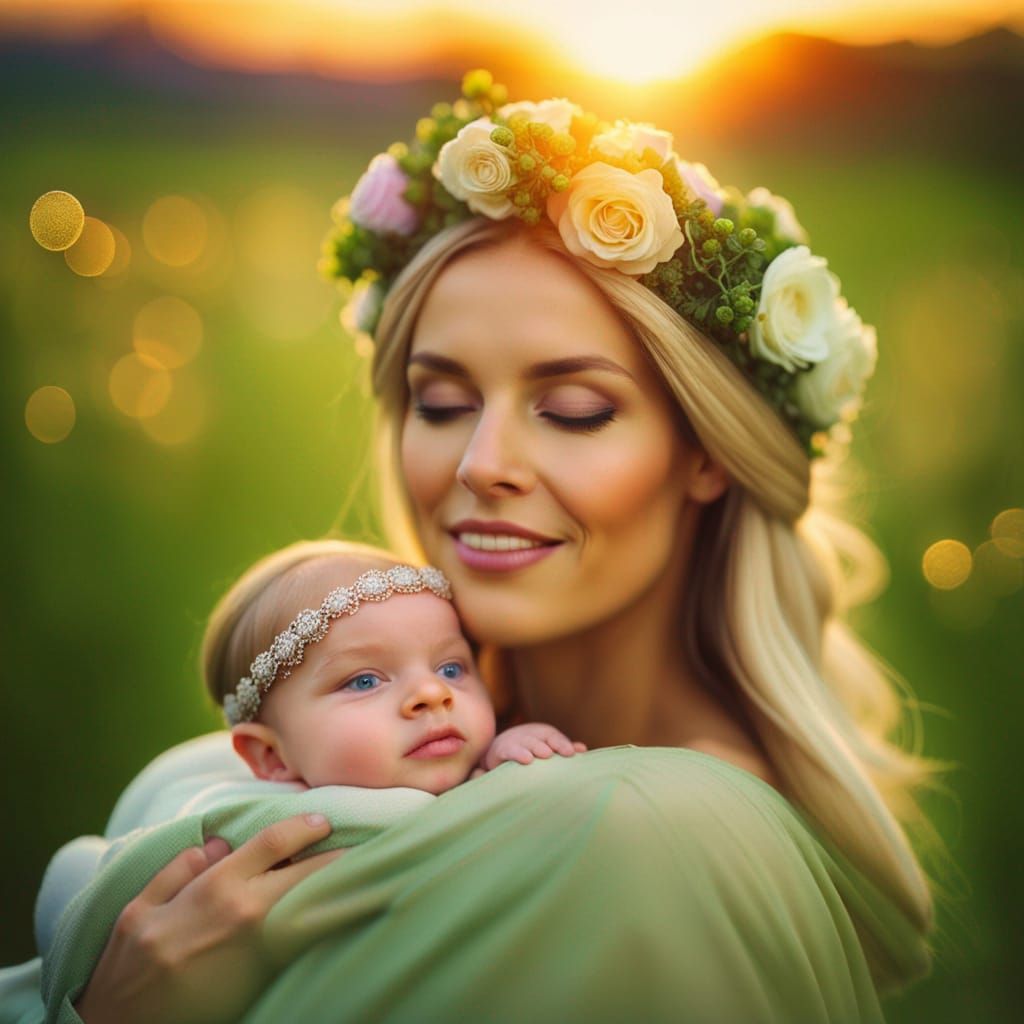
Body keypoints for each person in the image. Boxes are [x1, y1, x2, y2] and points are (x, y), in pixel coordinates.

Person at [46, 71, 941, 1023]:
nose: (481, 463)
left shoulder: (639, 834)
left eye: (574, 410)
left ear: (707, 456)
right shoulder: (376, 755)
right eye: (440, 404)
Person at [207, 538, 588, 790]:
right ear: (270, 756)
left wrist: (512, 758)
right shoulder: (255, 844)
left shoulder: (488, 777)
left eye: (451, 669)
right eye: (364, 682)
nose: (432, 693)